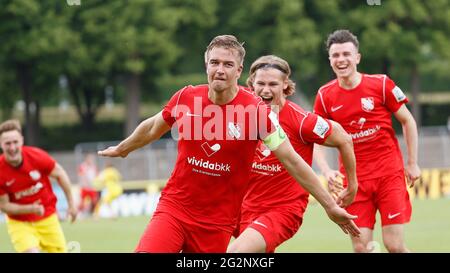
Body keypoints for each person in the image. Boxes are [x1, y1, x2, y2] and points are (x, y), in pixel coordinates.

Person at [99, 35, 359, 253]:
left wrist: (330, 205)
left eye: (227, 64)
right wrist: (124, 148)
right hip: (175, 210)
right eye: (214, 62)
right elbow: (152, 127)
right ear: (206, 65)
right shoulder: (187, 97)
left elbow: (292, 160)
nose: (219, 69)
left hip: (217, 223)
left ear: (239, 69)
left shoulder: (257, 112)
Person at [227, 55, 358, 253]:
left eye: (273, 84)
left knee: (236, 253)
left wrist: (352, 185)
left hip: (281, 211)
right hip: (241, 207)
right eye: (260, 83)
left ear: (285, 85)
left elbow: (344, 138)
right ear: (251, 84)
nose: (265, 90)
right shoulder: (243, 110)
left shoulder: (302, 121)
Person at [313, 29, 421, 253]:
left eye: (346, 54)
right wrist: (325, 169)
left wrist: (412, 162)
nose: (341, 60)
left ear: (357, 58)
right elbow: (316, 138)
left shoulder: (381, 85)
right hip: (354, 183)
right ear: (330, 60)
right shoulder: (325, 96)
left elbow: (408, 121)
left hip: (388, 175)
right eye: (335, 55)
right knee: (361, 248)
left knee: (394, 246)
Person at [0, 119, 77, 253]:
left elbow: (60, 174)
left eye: (15, 142)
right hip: (19, 223)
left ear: (21, 141)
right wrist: (31, 208)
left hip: (48, 217)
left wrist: (71, 203)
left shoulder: (36, 156)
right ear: (1, 144)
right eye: (7, 143)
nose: (12, 148)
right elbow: (4, 206)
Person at [77, 153, 99, 217]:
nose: (91, 160)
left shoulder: (93, 167)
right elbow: (81, 176)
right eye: (90, 159)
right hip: (84, 187)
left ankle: (94, 213)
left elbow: (96, 176)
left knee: (95, 201)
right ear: (87, 159)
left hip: (92, 187)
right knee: (81, 202)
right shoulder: (83, 166)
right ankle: (79, 214)